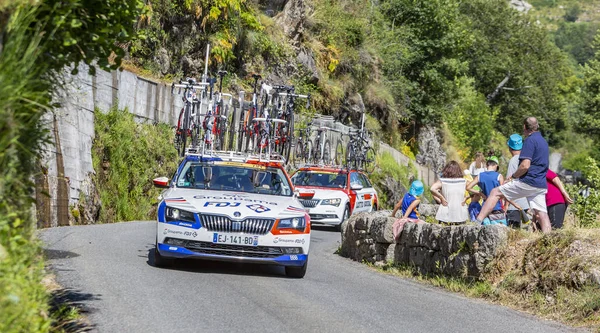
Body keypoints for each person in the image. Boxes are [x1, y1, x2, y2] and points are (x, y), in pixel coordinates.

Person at [475, 117, 552, 233]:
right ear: (537, 126)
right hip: (540, 184)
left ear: (525, 127)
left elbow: (525, 165)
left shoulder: (529, 141)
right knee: (542, 213)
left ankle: (477, 223)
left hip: (528, 182)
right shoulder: (543, 141)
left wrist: (513, 177)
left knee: (495, 192)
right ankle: (549, 237)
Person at [467, 156, 507, 225]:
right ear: (496, 165)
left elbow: (468, 187)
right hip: (497, 208)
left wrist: (480, 193)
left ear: (487, 165)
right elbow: (503, 193)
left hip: (484, 209)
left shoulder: (480, 176)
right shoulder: (499, 176)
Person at [430, 161, 469, 225]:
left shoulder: (443, 181)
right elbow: (474, 188)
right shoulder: (463, 181)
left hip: (445, 212)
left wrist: (441, 198)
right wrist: (466, 198)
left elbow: (432, 189)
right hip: (460, 213)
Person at [505, 134, 530, 228]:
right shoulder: (526, 159)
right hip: (526, 202)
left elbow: (509, 183)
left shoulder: (513, 161)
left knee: (514, 232)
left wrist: (507, 204)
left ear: (509, 147)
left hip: (515, 204)